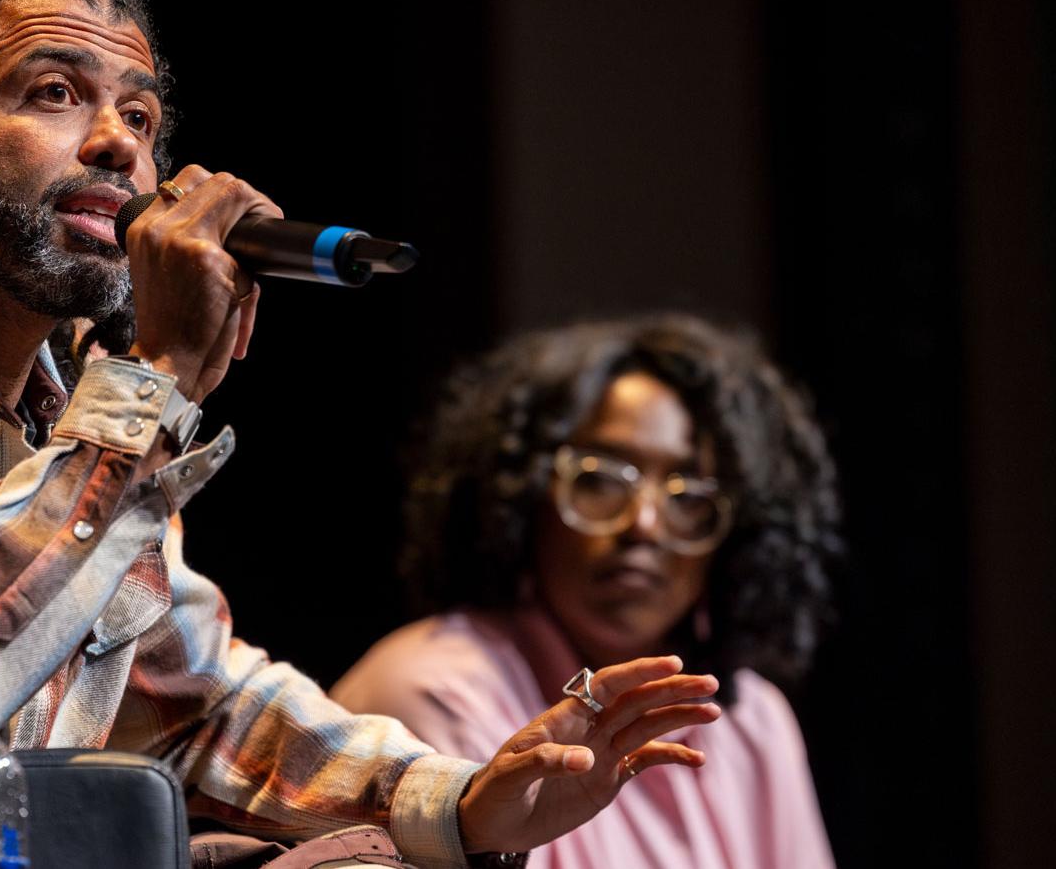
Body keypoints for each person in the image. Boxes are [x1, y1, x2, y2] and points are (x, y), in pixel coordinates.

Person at [0, 0, 727, 866]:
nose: (117, 145)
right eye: (55, 93)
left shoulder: (60, 400)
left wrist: (465, 800)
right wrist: (156, 384)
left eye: (139, 117)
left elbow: (187, 696)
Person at [333, 315, 842, 867]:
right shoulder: (434, 690)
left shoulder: (753, 719)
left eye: (689, 494)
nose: (643, 523)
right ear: (524, 499)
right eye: (601, 480)